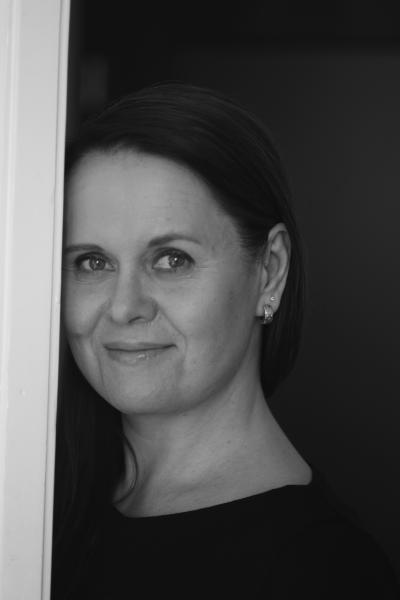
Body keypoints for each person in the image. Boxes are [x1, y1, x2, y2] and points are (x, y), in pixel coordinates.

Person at [51, 83, 399, 599]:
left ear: (269, 271)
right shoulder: (42, 501)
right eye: (92, 262)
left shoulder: (325, 573)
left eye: (172, 259)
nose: (124, 307)